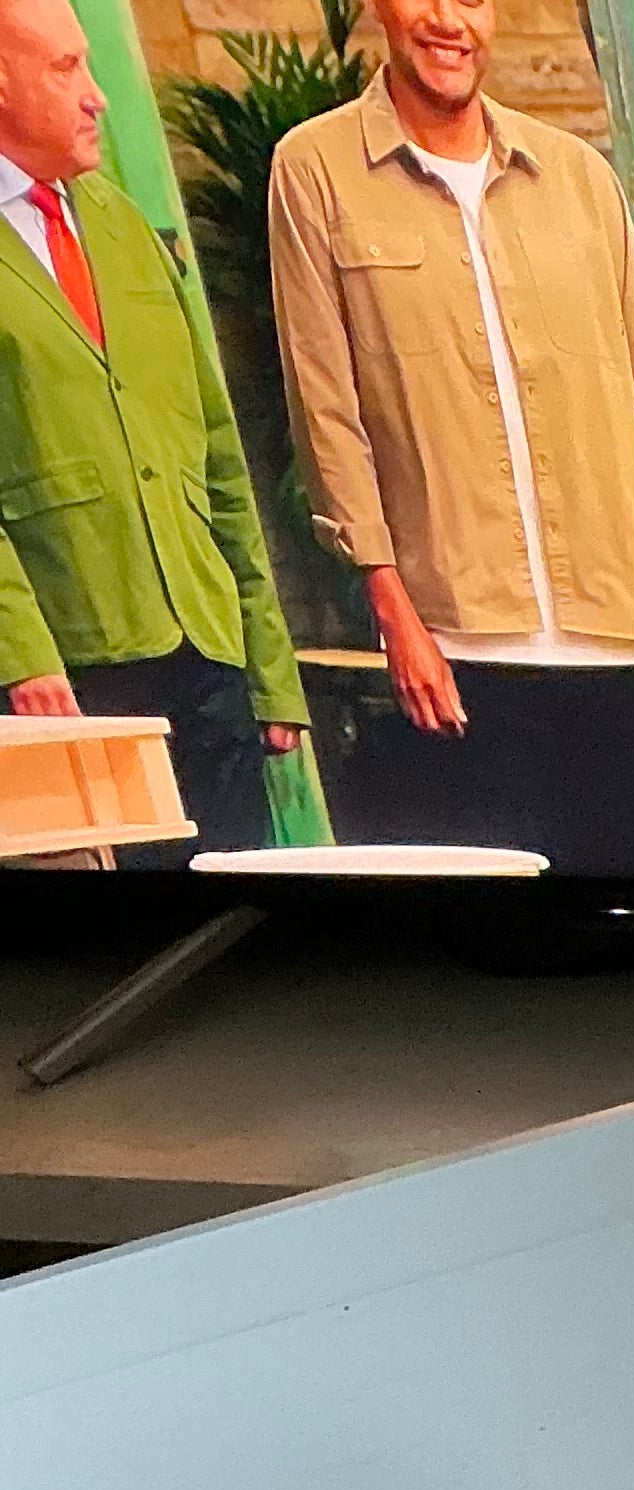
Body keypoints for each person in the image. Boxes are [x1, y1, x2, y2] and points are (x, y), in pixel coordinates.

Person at [267, 0, 634, 874]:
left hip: (628, 652)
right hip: (459, 658)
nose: (449, 20)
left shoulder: (578, 176)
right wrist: (395, 616)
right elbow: (326, 412)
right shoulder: (315, 169)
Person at [0, 0, 304, 858]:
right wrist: (18, 653)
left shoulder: (125, 226)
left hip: (205, 659)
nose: (96, 97)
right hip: (68, 665)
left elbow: (217, 451)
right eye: (65, 69)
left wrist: (268, 667)